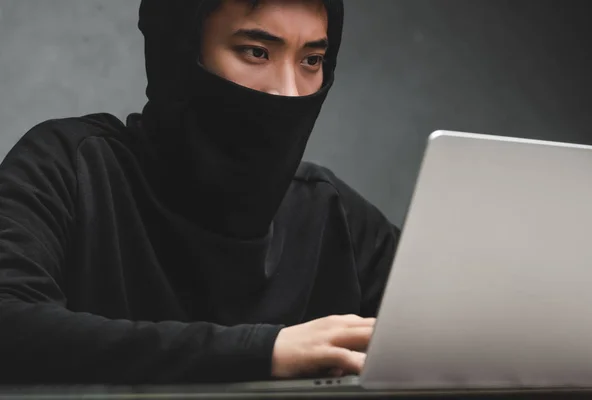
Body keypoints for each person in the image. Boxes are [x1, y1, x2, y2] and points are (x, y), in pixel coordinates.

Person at [0, 0, 399, 384]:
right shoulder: (70, 168)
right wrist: (262, 352)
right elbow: (10, 321)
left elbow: (450, 330)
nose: (289, 92)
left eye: (311, 60)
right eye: (257, 52)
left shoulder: (330, 211)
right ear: (179, 51)